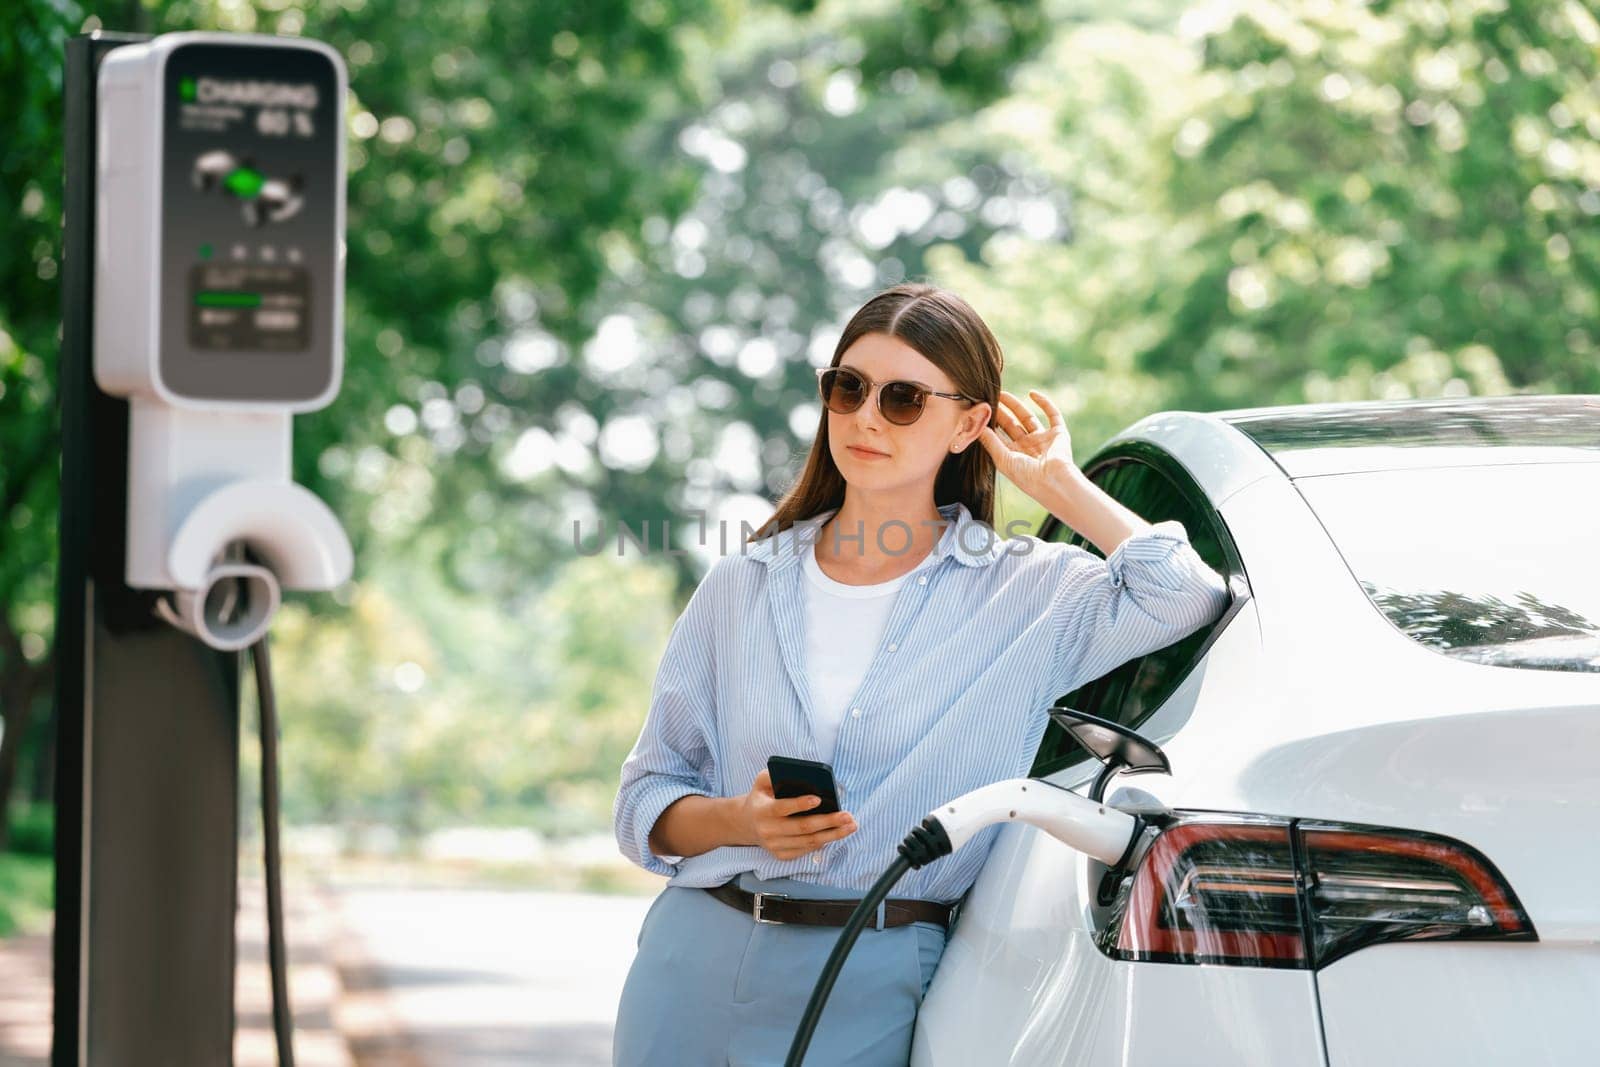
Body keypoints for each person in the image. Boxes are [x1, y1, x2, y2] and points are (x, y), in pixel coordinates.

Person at [611, 282, 1231, 1066]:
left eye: (905, 398)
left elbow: (1186, 593)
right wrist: (742, 821)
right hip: (692, 958)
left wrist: (1057, 486)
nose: (867, 416)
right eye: (849, 388)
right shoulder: (744, 582)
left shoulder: (1030, 592)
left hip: (876, 971)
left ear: (970, 423)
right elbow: (645, 798)